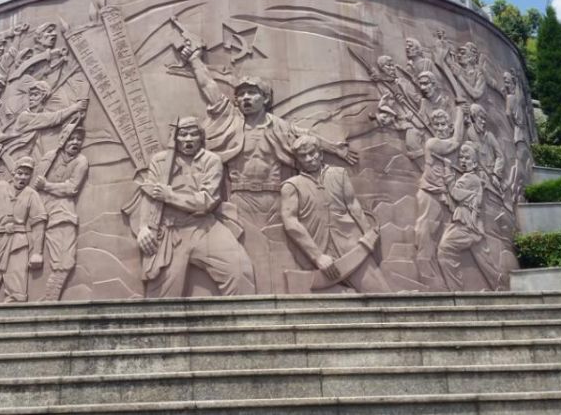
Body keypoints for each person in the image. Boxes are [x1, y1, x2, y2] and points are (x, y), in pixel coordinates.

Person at [179, 40, 357, 293]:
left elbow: (309, 138)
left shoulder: (281, 127)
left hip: (275, 197)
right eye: (240, 94)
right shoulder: (230, 122)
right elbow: (209, 88)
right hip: (241, 199)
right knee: (244, 251)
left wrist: (337, 149)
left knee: (284, 250)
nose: (245, 98)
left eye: (251, 93)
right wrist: (195, 60)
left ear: (265, 98)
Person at [122, 117, 255, 298]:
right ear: (175, 138)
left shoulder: (211, 161)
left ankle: (241, 322)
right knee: (161, 297)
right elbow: (149, 193)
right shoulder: (160, 161)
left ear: (201, 138)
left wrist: (170, 196)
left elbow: (207, 201)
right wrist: (144, 228)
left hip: (204, 227)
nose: (188, 139)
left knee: (240, 269)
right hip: (171, 231)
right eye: (183, 135)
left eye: (193, 134)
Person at [280, 136, 390, 293]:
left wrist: (368, 235)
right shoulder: (291, 186)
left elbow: (354, 206)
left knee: (381, 293)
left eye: (312, 153)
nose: (309, 159)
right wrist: (317, 256)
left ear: (321, 153)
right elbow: (290, 223)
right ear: (297, 160)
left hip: (352, 247)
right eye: (303, 156)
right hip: (319, 252)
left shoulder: (339, 174)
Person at [0, 148, 47, 302]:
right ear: (13, 173)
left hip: (18, 245)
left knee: (17, 295)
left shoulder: (31, 194)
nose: (23, 177)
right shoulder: (0, 188)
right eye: (20, 173)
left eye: (27, 174)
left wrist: (38, 253)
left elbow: (39, 222)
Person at [437, 141, 503, 290]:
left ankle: (457, 291)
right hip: (470, 224)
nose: (462, 161)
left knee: (445, 250)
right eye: (461, 157)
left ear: (474, 163)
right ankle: (499, 286)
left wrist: (447, 170)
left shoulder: (470, 179)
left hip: (467, 225)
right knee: (486, 263)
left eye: (467, 158)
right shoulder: (472, 178)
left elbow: (455, 193)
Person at [34, 123, 89, 300]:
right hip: (45, 214)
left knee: (65, 262)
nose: (76, 142)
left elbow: (72, 188)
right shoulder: (50, 157)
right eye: (72, 138)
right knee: (61, 262)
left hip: (64, 214)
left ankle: (50, 299)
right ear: (63, 139)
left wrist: (47, 186)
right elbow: (35, 182)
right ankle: (50, 300)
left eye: (79, 139)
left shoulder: (81, 161)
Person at [413, 106, 466, 287]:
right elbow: (455, 142)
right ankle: (424, 270)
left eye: (444, 124)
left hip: (440, 193)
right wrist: (460, 112)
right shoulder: (432, 143)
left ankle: (432, 269)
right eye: (437, 125)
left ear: (449, 126)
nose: (440, 128)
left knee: (436, 232)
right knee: (426, 229)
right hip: (429, 193)